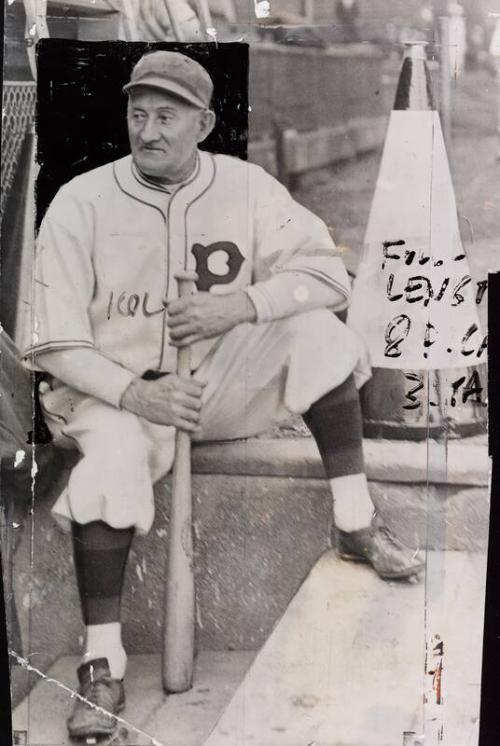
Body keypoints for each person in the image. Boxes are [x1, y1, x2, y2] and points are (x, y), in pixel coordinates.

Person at [23, 50, 424, 739]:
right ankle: (102, 660)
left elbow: (329, 280)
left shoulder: (246, 187)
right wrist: (135, 396)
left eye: (167, 116)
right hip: (108, 400)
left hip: (213, 384)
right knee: (111, 462)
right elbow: (50, 344)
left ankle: (354, 521)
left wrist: (241, 305)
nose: (148, 130)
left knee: (318, 336)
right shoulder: (80, 201)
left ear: (204, 121)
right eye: (137, 113)